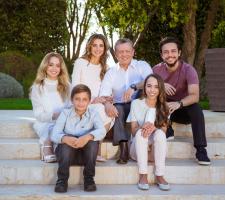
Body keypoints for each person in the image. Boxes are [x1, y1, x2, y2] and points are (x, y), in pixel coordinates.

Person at [153, 36, 210, 165]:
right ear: (162, 55)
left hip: (182, 109)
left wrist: (178, 103)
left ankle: (201, 150)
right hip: (163, 109)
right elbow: (146, 88)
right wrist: (160, 83)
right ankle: (167, 126)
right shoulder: (156, 70)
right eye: (166, 52)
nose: (170, 55)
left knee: (196, 108)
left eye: (173, 51)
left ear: (179, 53)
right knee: (152, 98)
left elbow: (195, 96)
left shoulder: (189, 70)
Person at [99, 38, 152, 164]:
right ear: (116, 54)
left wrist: (134, 87)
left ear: (133, 52)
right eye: (120, 52)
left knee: (133, 104)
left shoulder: (142, 66)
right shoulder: (111, 72)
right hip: (120, 107)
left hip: (140, 104)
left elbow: (151, 80)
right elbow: (104, 94)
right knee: (118, 108)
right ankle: (123, 148)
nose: (124, 54)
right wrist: (107, 104)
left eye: (127, 51)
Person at [51, 84, 106, 193]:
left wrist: (87, 137)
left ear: (89, 101)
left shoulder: (93, 114)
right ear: (72, 100)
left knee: (93, 142)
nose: (81, 103)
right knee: (65, 144)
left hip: (85, 156)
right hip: (66, 155)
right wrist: (65, 138)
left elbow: (102, 130)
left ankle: (89, 179)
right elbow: (54, 134)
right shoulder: (65, 113)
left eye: (84, 99)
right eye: (77, 99)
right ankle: (62, 180)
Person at [71, 33, 114, 162]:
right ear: (89, 46)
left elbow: (106, 90)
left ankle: (94, 146)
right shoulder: (80, 63)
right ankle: (96, 149)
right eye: (94, 45)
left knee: (110, 112)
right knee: (100, 111)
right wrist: (93, 100)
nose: (98, 48)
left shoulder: (105, 68)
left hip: (98, 103)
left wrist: (107, 99)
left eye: (101, 45)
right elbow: (75, 88)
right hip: (81, 101)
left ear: (105, 49)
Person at [128, 74, 170, 191]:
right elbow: (133, 130)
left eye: (156, 87)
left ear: (160, 89)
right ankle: (143, 175)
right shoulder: (136, 103)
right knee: (141, 134)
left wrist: (153, 128)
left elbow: (164, 131)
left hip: (154, 153)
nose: (152, 90)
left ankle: (160, 175)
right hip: (138, 149)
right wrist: (143, 128)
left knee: (160, 134)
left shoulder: (164, 106)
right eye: (149, 86)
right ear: (144, 87)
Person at [30, 52, 71, 163]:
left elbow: (72, 107)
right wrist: (54, 115)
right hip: (45, 123)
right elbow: (38, 115)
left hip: (64, 122)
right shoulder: (37, 88)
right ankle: (47, 143)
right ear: (45, 66)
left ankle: (52, 143)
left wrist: (64, 116)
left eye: (57, 65)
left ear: (61, 69)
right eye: (51, 64)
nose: (54, 68)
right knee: (52, 127)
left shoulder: (67, 86)